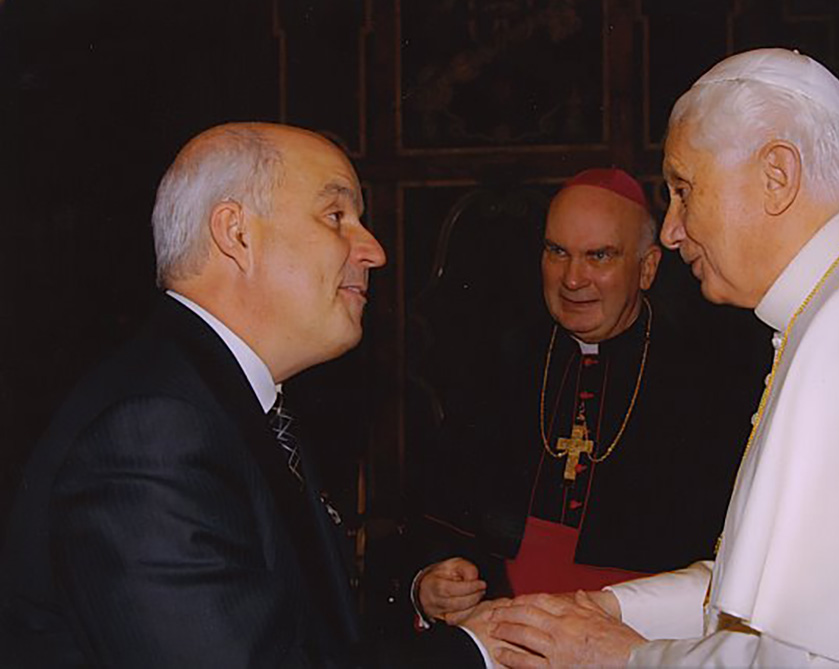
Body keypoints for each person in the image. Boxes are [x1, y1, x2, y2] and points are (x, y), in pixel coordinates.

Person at [490, 48, 839, 668]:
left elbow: (819, 659)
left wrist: (620, 658)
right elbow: (789, 593)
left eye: (683, 189)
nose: (672, 231)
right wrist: (614, 610)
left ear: (776, 174)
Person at [0, 122, 494, 667]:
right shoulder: (153, 429)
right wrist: (478, 655)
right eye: (336, 217)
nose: (373, 250)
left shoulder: (232, 401)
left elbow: (310, 633)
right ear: (236, 233)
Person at [413, 169, 755, 626]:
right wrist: (429, 584)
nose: (573, 279)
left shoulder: (708, 382)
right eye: (558, 252)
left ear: (648, 268)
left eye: (600, 256)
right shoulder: (500, 363)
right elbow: (438, 519)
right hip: (503, 630)